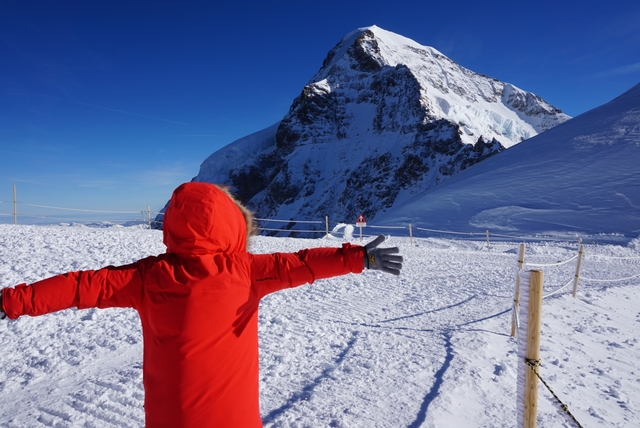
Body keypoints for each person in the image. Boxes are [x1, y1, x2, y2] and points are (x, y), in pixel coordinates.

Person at [0, 182, 402, 428]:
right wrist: (358, 258)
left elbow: (79, 285)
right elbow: (301, 263)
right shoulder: (248, 271)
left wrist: (10, 301)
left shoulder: (147, 276)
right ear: (233, 225)